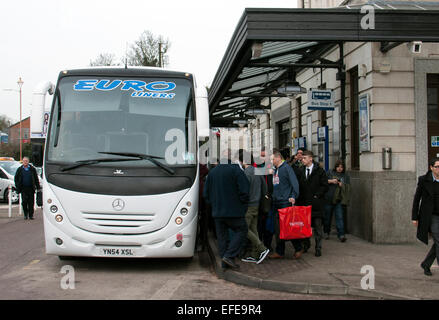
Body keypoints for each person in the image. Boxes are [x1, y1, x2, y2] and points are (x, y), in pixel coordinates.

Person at [203, 150, 250, 270]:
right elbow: (244, 191)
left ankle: (224, 263)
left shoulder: (213, 172)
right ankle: (229, 256)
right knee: (242, 230)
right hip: (235, 211)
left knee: (222, 237)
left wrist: (214, 204)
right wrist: (243, 205)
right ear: (231, 159)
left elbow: (206, 194)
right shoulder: (236, 170)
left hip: (218, 212)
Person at [269, 150, 302, 259]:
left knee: (288, 227)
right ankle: (280, 251)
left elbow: (294, 183)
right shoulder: (276, 169)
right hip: (276, 201)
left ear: (278, 158)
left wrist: (293, 196)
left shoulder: (287, 168)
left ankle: (298, 248)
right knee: (278, 229)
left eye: (272, 159)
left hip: (285, 202)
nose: (271, 161)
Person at [239, 150, 270, 264]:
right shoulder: (258, 171)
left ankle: (262, 248)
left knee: (244, 229)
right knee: (253, 229)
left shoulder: (246, 173)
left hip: (248, 206)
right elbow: (265, 189)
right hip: (257, 205)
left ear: (242, 161)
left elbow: (244, 191)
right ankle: (254, 254)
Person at [296, 150, 329, 257]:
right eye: (302, 158)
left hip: (316, 204)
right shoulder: (301, 170)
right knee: (305, 227)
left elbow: (325, 185)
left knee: (318, 227)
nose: (302, 160)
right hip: (304, 204)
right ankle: (306, 245)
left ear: (311, 159)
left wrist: (317, 195)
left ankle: (318, 247)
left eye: (304, 158)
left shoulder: (319, 171)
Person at [412, 158, 439, 276]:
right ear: (431, 168)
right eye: (437, 166)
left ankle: (426, 264)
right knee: (438, 240)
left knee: (438, 243)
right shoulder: (424, 180)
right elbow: (417, 199)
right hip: (431, 216)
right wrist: (414, 217)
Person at [324, 160, 350, 242]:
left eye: (341, 167)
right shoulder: (330, 173)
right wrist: (331, 181)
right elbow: (323, 181)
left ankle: (341, 235)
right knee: (327, 217)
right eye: (338, 166)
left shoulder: (345, 176)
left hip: (339, 199)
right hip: (328, 198)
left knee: (339, 217)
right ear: (335, 167)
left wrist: (343, 185)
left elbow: (348, 187)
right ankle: (326, 232)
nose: (340, 168)